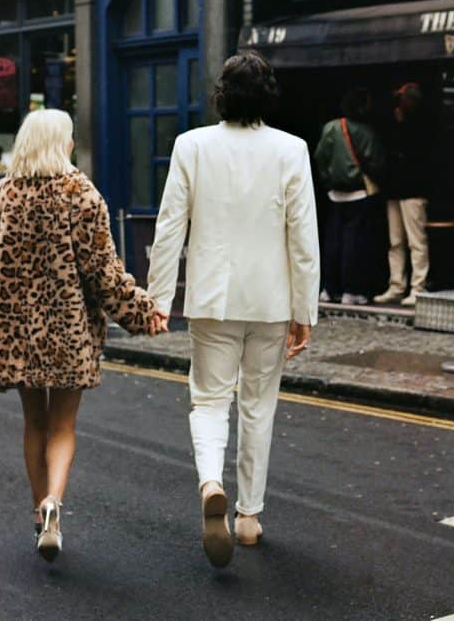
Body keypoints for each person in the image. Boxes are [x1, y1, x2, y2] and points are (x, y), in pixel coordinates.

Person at [0, 108, 164, 563]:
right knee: (63, 425)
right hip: (69, 331)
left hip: (15, 335)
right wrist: (143, 312)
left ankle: (40, 515)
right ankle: (56, 500)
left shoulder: (1, 196)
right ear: (62, 143)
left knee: (34, 422)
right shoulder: (82, 195)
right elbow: (105, 275)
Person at [148, 52, 320, 568]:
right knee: (258, 406)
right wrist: (304, 307)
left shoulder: (191, 146)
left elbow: (169, 228)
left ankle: (209, 482)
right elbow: (303, 237)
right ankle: (247, 518)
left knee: (208, 401)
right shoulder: (292, 150)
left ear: (221, 95)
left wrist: (158, 300)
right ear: (268, 96)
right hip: (270, 300)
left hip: (211, 299)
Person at [314, 88, 386, 305]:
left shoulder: (331, 128)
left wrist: (327, 181)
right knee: (355, 245)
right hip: (359, 193)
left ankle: (329, 288)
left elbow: (320, 157)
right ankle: (352, 290)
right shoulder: (367, 133)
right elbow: (377, 163)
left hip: (335, 194)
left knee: (332, 243)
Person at [374, 82, 432, 307]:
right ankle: (397, 285)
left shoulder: (419, 126)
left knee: (415, 241)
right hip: (397, 189)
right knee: (396, 241)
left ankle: (417, 286)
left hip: (412, 190)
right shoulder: (398, 125)